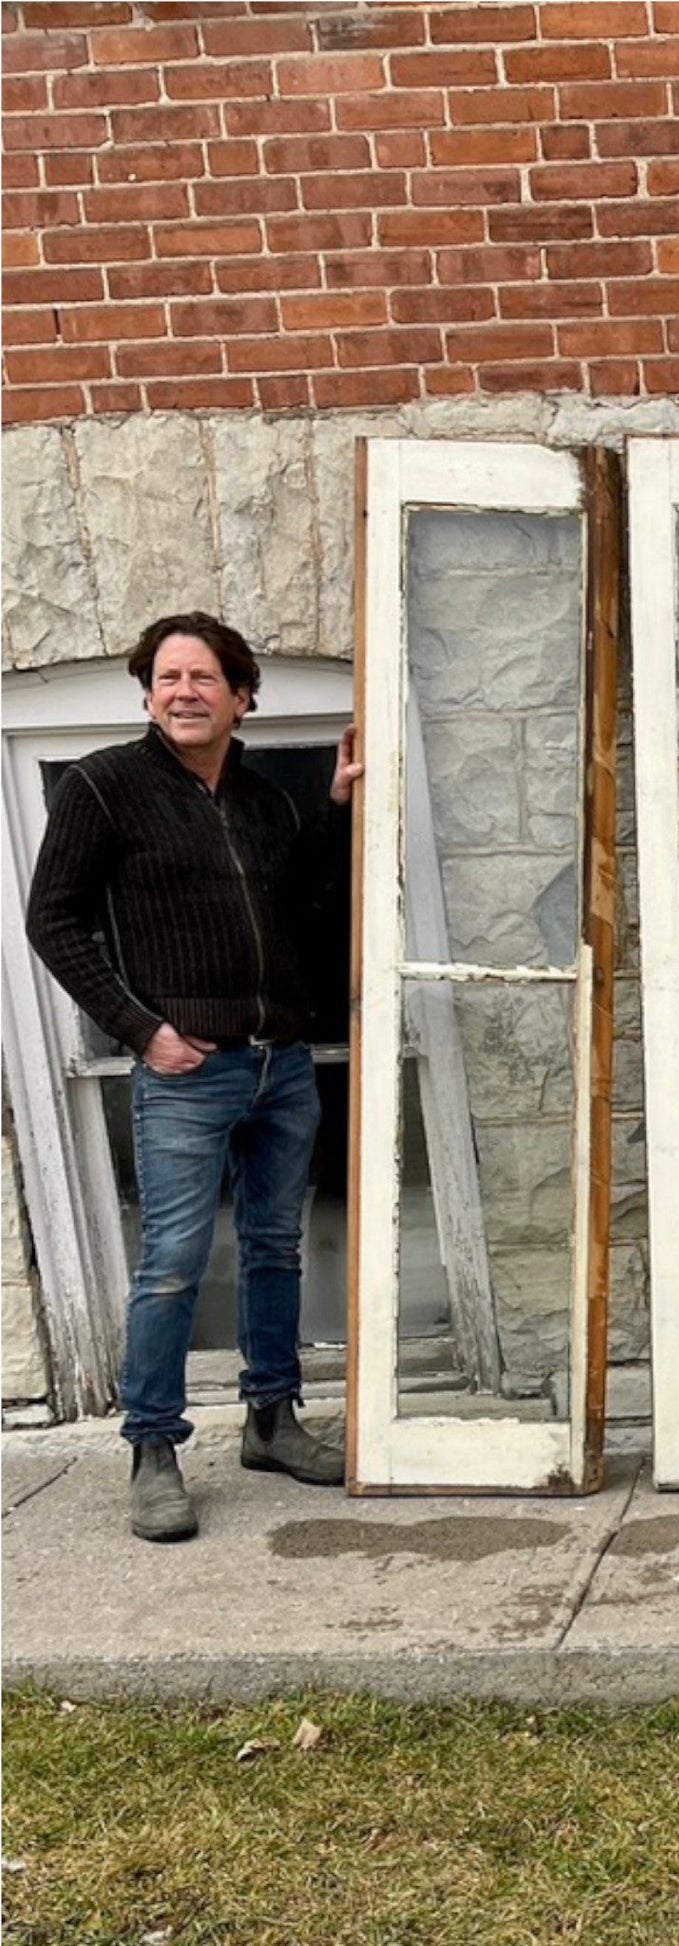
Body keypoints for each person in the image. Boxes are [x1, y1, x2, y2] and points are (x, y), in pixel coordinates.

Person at [26, 614, 362, 1542]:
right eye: (167, 677)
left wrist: (333, 809)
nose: (183, 692)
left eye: (204, 677)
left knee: (275, 1249)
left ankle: (272, 1422)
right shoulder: (103, 787)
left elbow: (301, 909)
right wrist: (143, 1031)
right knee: (171, 1266)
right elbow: (53, 922)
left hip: (278, 1067)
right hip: (186, 1072)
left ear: (242, 695)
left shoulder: (261, 800)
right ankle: (153, 1452)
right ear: (147, 694)